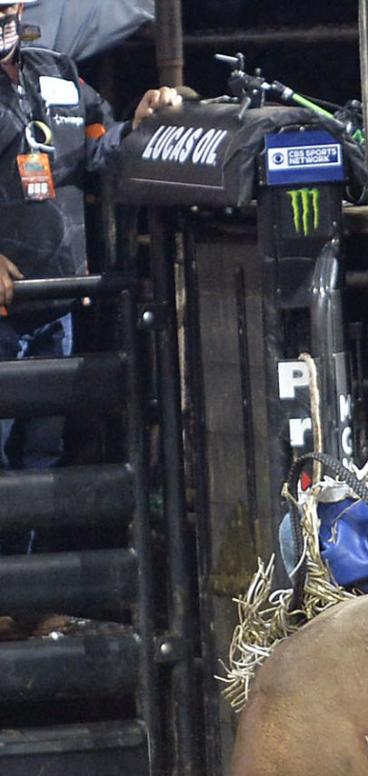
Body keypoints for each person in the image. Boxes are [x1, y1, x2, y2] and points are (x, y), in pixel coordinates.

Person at [0, 0, 180, 472]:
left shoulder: (58, 70)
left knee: (43, 452)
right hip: (3, 311)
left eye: (6, 5)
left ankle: (31, 549)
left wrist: (138, 123)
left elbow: (100, 145)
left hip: (58, 300)